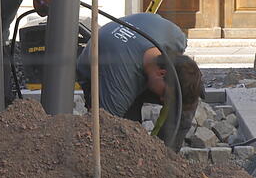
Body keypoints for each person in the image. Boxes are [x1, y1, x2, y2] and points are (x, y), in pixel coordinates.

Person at [76, 12, 204, 150]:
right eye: (164, 94)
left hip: (136, 61)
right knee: (124, 133)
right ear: (161, 73)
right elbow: (103, 125)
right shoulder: (119, 84)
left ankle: (166, 154)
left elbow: (183, 70)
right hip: (103, 74)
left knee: (187, 100)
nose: (162, 99)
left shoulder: (175, 37)